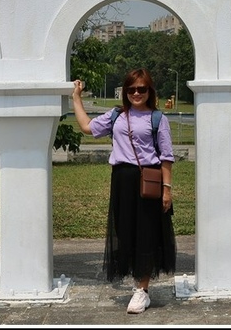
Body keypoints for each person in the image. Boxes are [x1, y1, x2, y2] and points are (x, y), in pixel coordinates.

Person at [71, 68, 176, 314]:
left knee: (147, 234)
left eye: (141, 89)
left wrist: (167, 190)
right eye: (131, 89)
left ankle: (142, 290)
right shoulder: (117, 115)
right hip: (122, 181)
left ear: (150, 91)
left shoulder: (158, 119)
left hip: (149, 181)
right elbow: (87, 127)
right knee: (125, 230)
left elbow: (166, 158)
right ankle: (137, 281)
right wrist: (76, 97)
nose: (136, 93)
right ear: (125, 91)